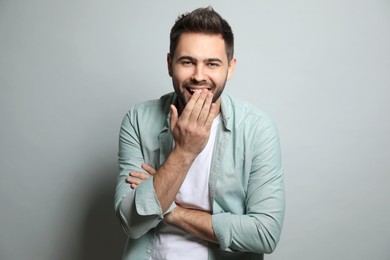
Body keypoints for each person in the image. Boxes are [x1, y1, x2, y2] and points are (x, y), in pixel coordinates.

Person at [114, 6, 285, 260]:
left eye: (212, 64)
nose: (198, 76)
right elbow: (131, 222)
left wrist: (170, 209)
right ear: (170, 64)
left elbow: (264, 234)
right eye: (187, 62)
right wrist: (184, 151)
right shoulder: (138, 120)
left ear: (230, 68)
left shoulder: (258, 129)